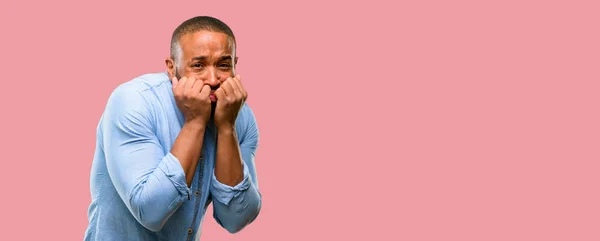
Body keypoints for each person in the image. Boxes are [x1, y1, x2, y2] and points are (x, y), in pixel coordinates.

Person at [84, 16, 262, 241]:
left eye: (223, 65)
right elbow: (151, 212)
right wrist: (195, 121)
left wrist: (227, 128)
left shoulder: (240, 118)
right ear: (171, 68)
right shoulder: (133, 101)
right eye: (198, 65)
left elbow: (236, 218)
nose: (213, 79)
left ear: (236, 65)